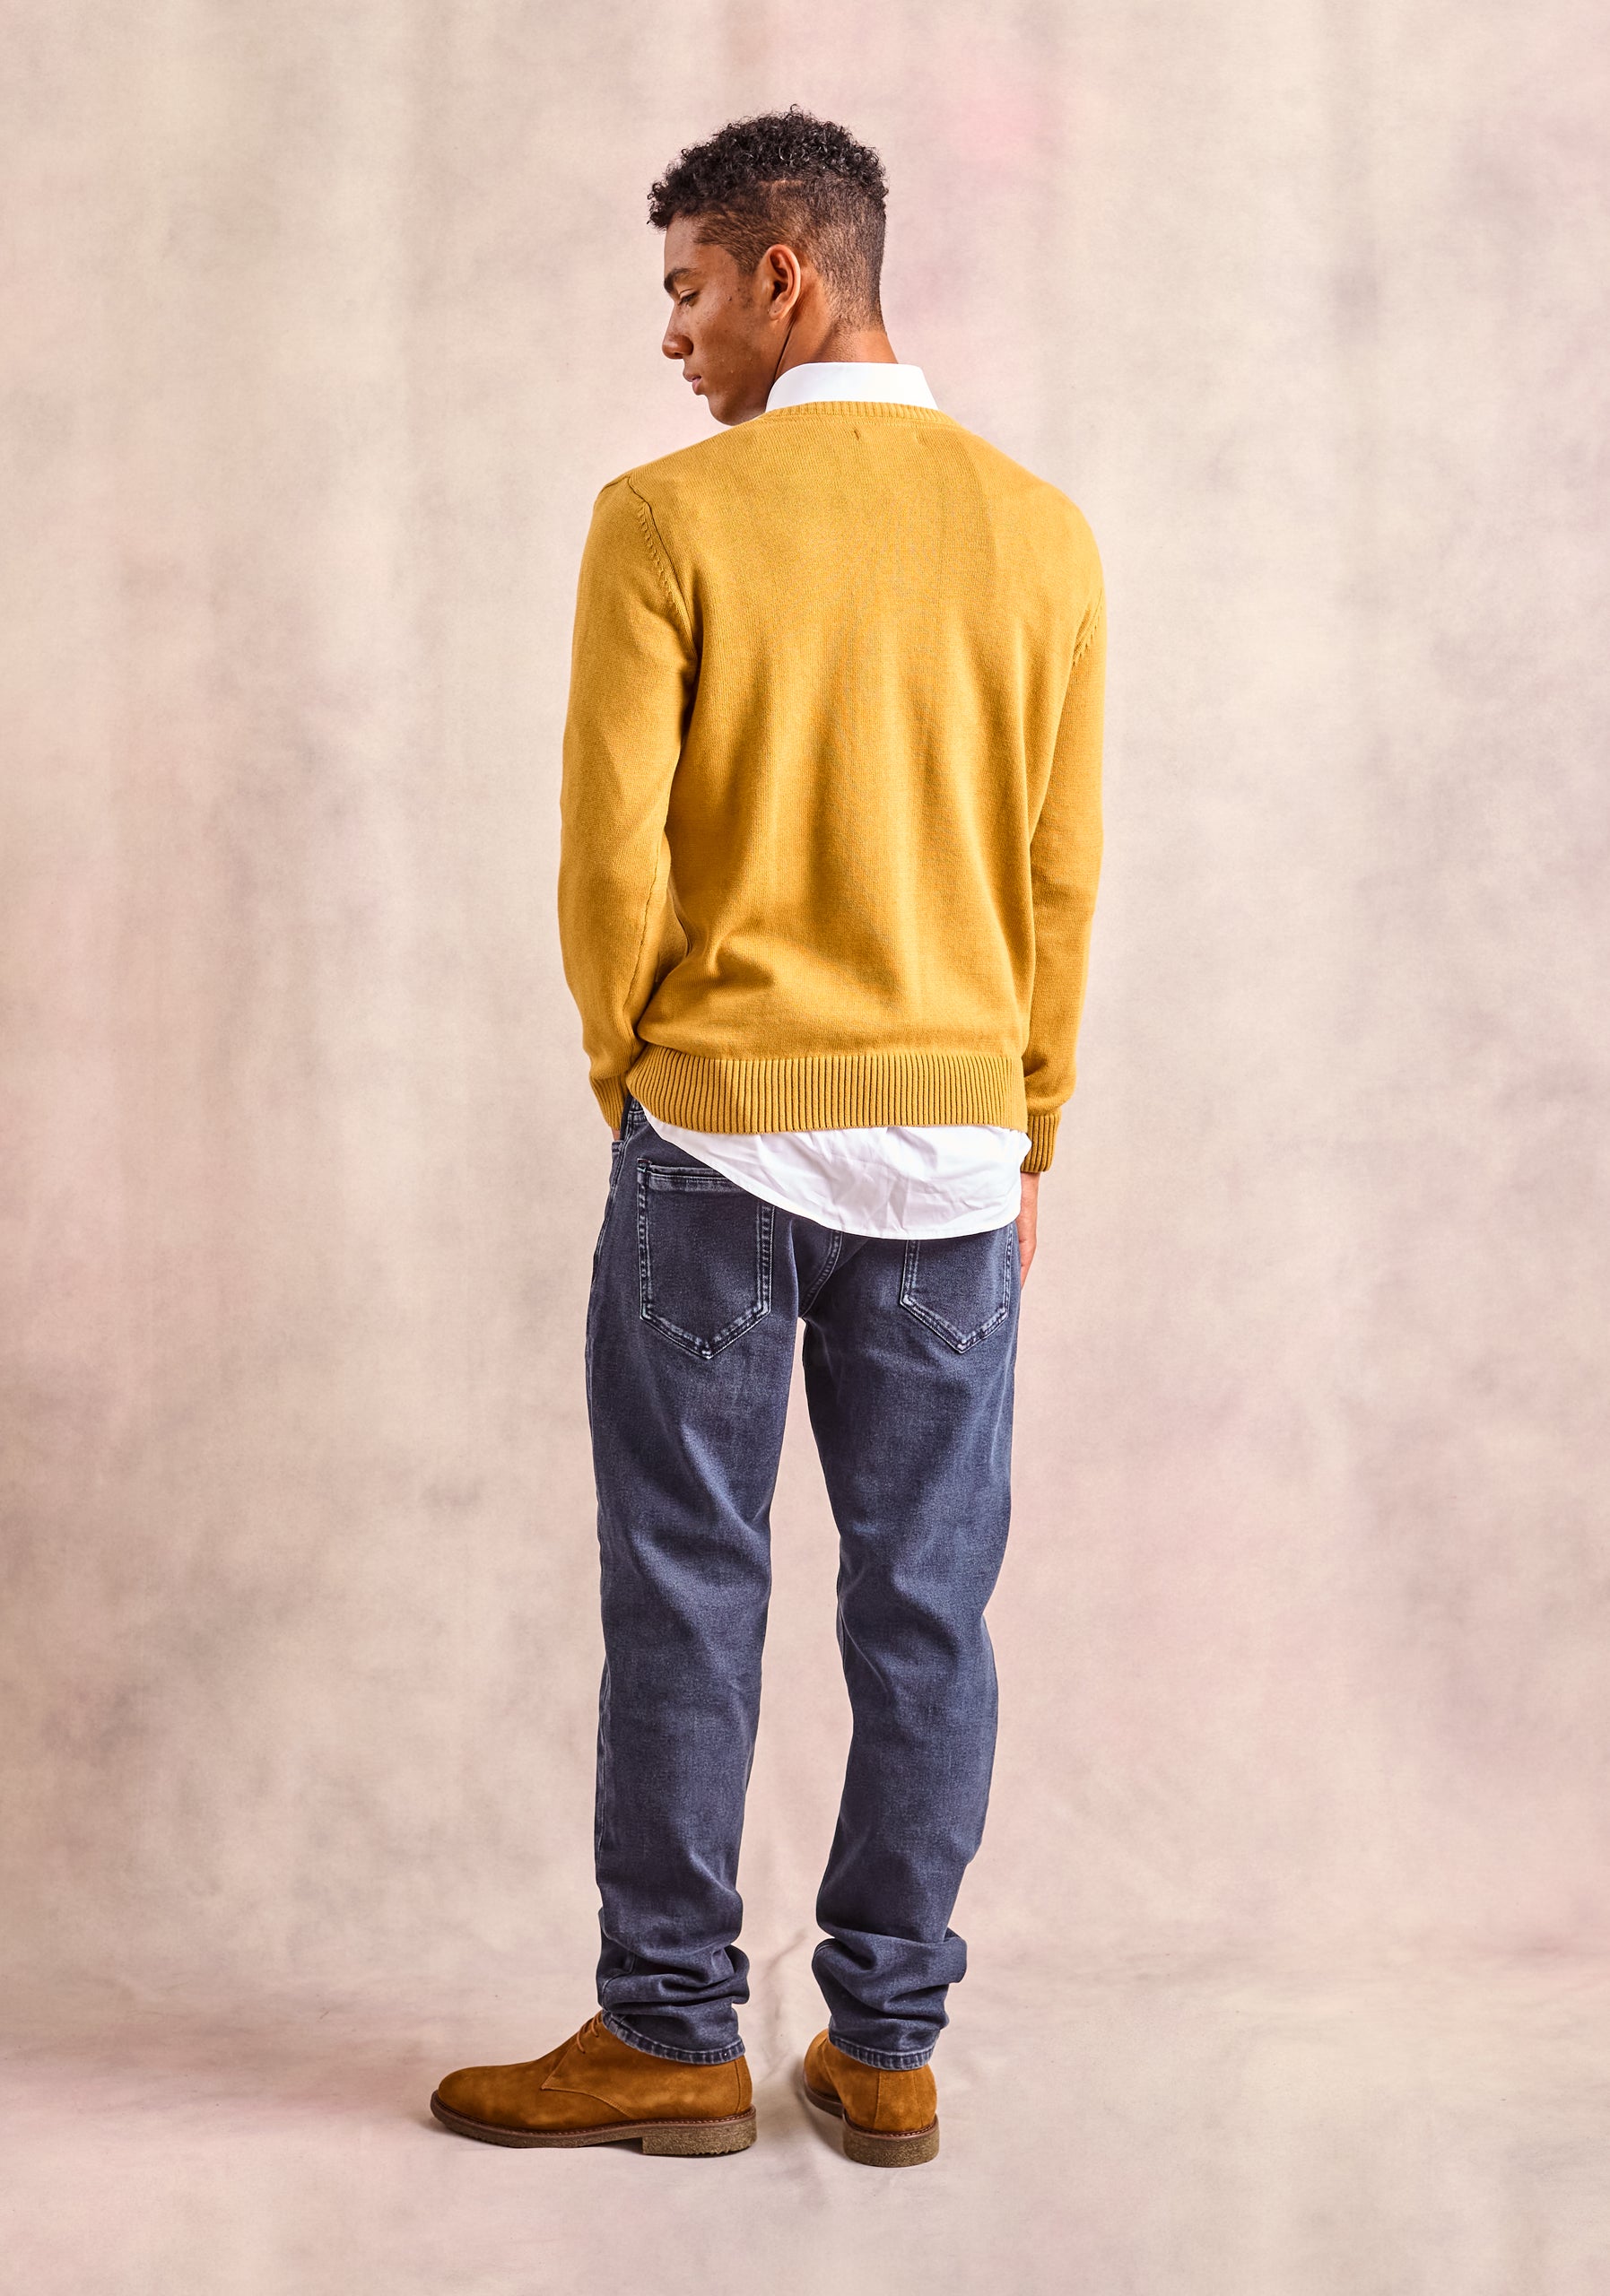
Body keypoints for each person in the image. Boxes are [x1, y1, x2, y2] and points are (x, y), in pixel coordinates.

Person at [431, 106, 1106, 2169]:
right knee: (927, 1603)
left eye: (690, 289)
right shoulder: (1042, 533)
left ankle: (669, 2033)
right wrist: (1025, 1121)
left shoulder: (666, 518)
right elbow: (1059, 869)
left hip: (718, 1133)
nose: (674, 336)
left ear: (784, 276)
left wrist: (634, 1076)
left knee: (684, 1584)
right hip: (954, 1152)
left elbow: (606, 853)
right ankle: (885, 2046)